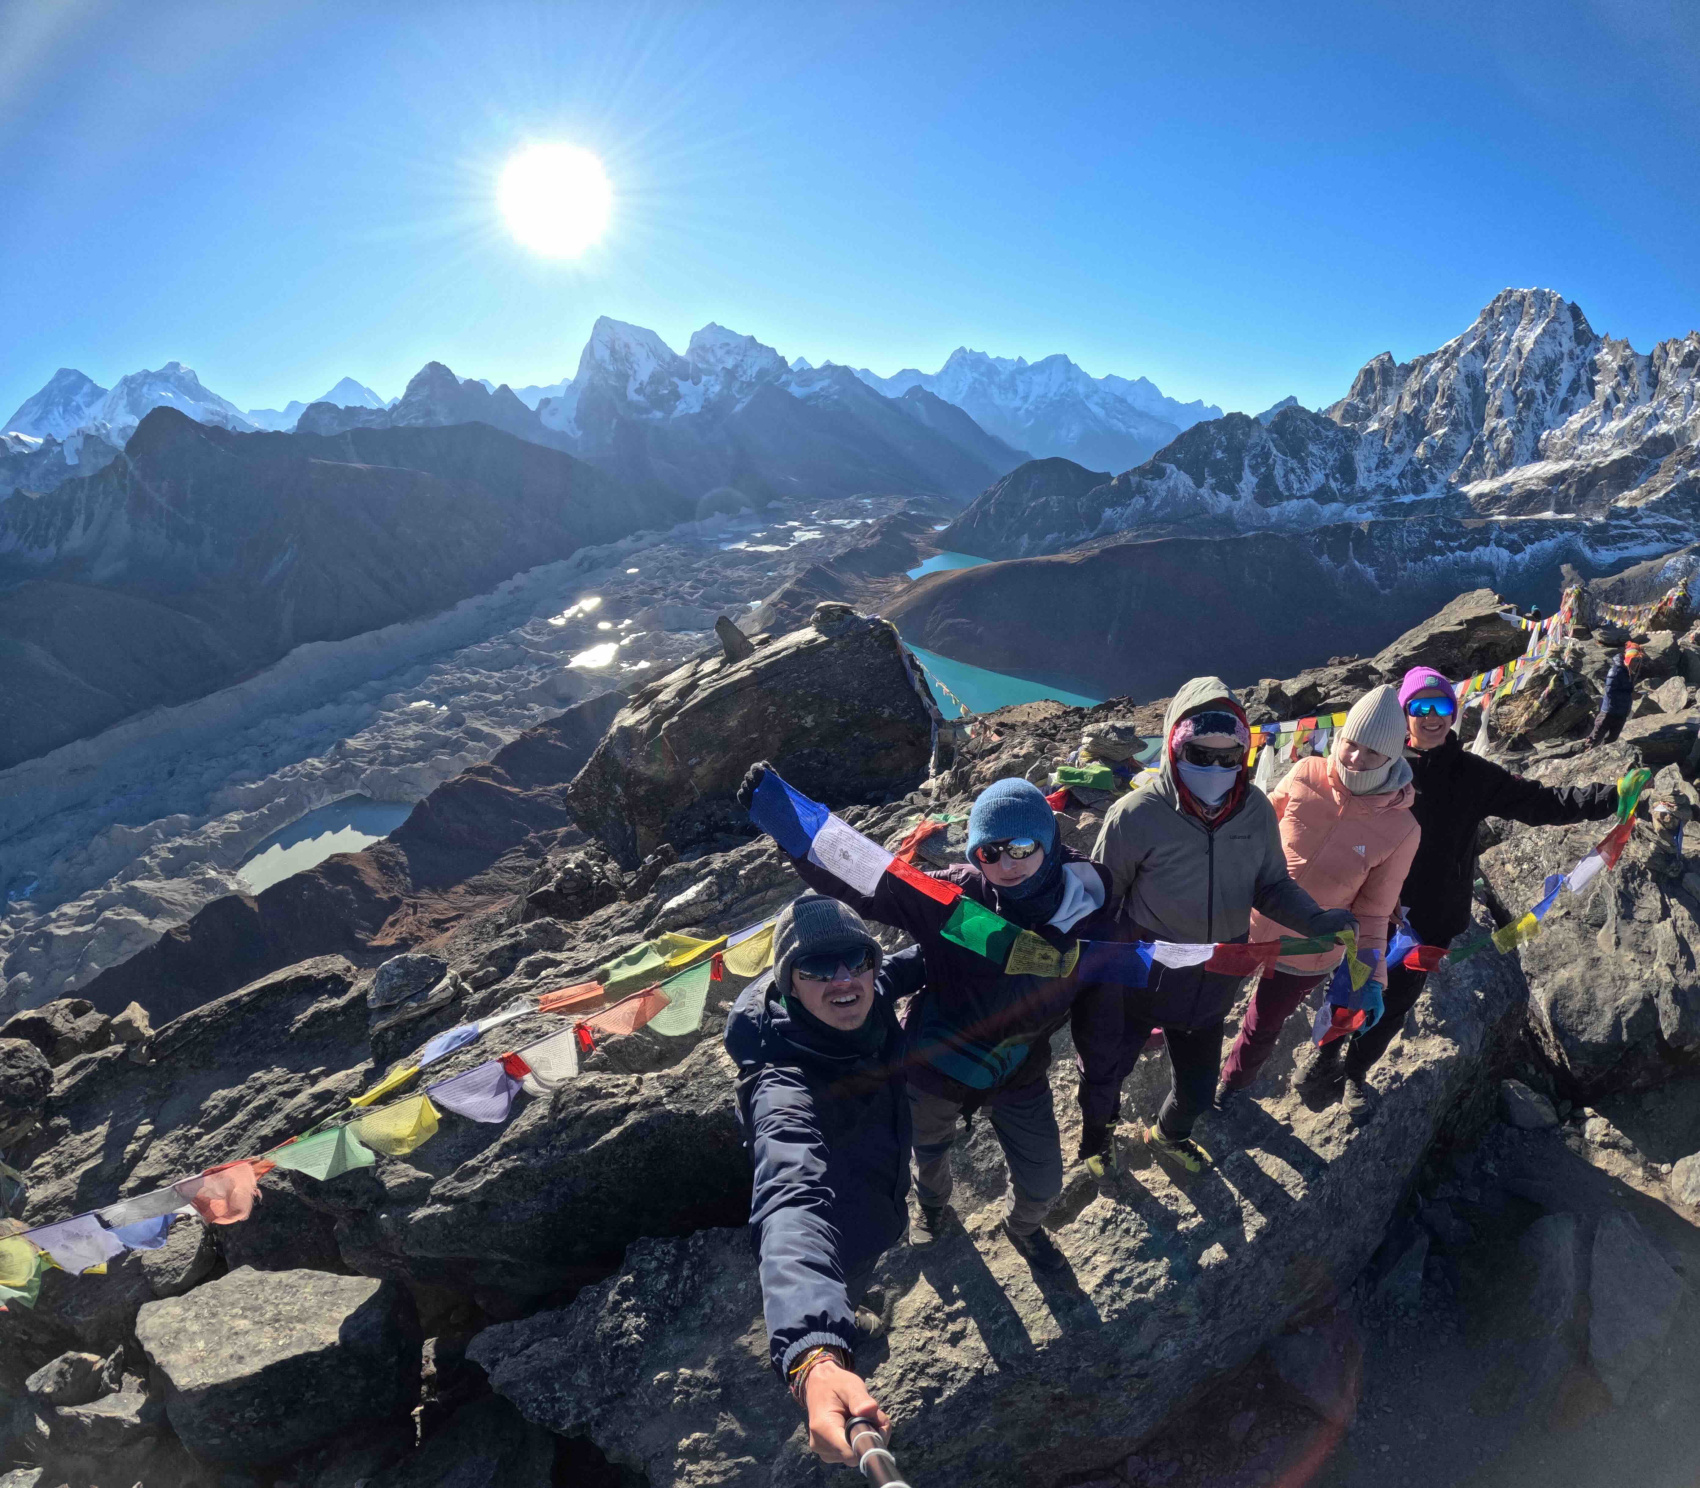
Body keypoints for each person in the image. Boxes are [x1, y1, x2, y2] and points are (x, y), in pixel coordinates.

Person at [739, 765, 1111, 1271]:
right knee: (928, 1157)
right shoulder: (958, 902)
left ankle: (1023, 1225)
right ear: (975, 855)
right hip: (936, 1066)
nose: (1006, 862)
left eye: (1021, 846)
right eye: (989, 851)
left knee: (1044, 1180)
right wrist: (793, 827)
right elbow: (875, 883)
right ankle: (934, 1209)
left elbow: (1112, 982)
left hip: (1021, 1070)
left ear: (1048, 840)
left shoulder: (1089, 909)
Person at [1077, 677, 1356, 1174]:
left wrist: (1312, 920)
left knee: (1199, 1091)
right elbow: (1102, 906)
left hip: (1212, 987)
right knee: (1103, 1074)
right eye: (1199, 753)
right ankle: (1095, 1142)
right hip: (1141, 980)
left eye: (1230, 757)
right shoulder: (1134, 815)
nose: (1215, 767)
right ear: (1173, 746)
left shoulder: (1253, 810)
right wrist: (1095, 983)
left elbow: (1270, 885)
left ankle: (1168, 1135)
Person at [1319, 666, 1620, 1090]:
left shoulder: (1473, 775)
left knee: (1395, 999)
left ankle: (1354, 1072)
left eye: (1441, 704)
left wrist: (1608, 798)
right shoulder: (1379, 763)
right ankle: (1327, 1057)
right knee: (1352, 980)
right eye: (1419, 706)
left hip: (1431, 914)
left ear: (1454, 710)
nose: (1431, 716)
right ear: (1404, 713)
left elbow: (1539, 801)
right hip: (1368, 901)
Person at [724, 894, 923, 1465]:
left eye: (856, 960)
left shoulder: (871, 989)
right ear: (788, 982)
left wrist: (1030, 919)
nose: (843, 979)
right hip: (838, 1224)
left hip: (885, 1186)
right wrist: (812, 1353)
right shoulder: (780, 1081)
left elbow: (925, 955)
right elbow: (792, 1200)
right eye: (817, 967)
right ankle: (840, 1327)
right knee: (851, 1273)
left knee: (881, 1244)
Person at [1218, 685, 1420, 1109]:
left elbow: (1373, 912)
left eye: (1373, 753)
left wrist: (1369, 980)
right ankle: (1161, 1033)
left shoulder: (1402, 830)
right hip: (1246, 918)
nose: (1355, 759)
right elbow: (1255, 830)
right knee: (1204, 988)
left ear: (1395, 757)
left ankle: (1231, 1086)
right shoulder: (1306, 770)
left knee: (1264, 1023)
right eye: (1350, 744)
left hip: (1309, 950)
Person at [1585, 644, 1637, 749]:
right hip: (1609, 711)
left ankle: (1604, 758)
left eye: (1637, 661)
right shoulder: (1616, 671)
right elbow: (1610, 691)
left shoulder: (1628, 671)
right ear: (1628, 658)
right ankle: (1583, 755)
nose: (1636, 663)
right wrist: (1628, 693)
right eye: (1634, 660)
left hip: (1621, 712)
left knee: (1611, 741)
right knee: (1595, 738)